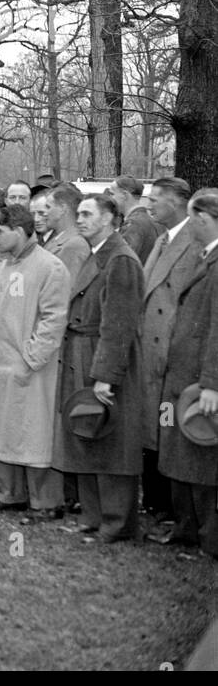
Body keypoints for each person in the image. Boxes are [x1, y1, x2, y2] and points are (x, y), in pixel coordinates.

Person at [53, 195, 145, 544]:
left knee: (111, 441)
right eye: (78, 213)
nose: (81, 219)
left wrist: (106, 376)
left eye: (88, 214)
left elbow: (119, 324)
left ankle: (116, 523)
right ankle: (93, 517)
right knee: (85, 432)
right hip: (82, 352)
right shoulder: (97, 254)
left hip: (103, 358)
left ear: (110, 219)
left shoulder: (120, 259)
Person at [0, 204, 71, 518]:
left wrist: (31, 358)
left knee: (33, 433)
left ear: (19, 230)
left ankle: (46, 502)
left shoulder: (50, 267)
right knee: (1, 430)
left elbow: (53, 320)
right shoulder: (4, 266)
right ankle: (9, 494)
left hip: (29, 368)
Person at [151, 190, 218, 557]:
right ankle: (186, 529)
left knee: (201, 458)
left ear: (204, 219)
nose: (188, 225)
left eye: (192, 218)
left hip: (197, 385)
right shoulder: (205, 257)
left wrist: (211, 384)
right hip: (178, 379)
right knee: (177, 452)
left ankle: (207, 537)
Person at [138, 176, 199, 523]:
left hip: (170, 361)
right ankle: (157, 503)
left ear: (176, 202)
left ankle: (170, 508)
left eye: (156, 199)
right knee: (155, 427)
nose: (150, 204)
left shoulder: (192, 242)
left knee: (167, 426)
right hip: (151, 356)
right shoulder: (162, 239)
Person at [108, 175, 163, 262]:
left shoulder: (133, 224)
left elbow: (122, 262)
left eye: (112, 194)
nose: (109, 198)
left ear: (124, 195)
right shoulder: (154, 221)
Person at [45, 184, 91, 279]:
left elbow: (68, 288)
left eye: (48, 207)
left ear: (62, 208)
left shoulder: (75, 245)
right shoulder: (59, 239)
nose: (45, 213)